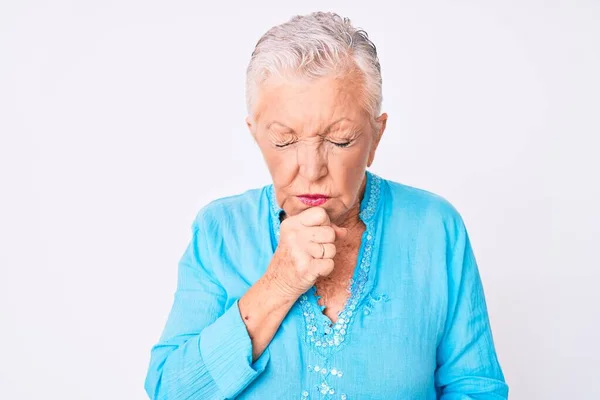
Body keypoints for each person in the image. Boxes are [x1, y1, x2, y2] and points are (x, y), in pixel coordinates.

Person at [144, 11, 508, 400]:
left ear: (376, 135)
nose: (312, 170)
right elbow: (171, 392)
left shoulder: (435, 228)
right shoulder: (220, 231)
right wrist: (278, 284)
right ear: (256, 135)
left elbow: (476, 389)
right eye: (284, 141)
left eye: (340, 140)